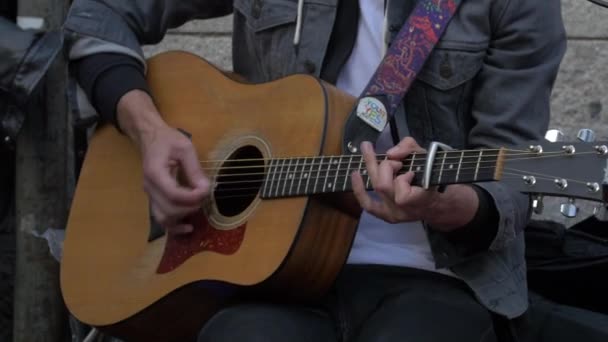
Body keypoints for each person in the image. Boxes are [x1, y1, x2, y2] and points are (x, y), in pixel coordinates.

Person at [63, 0, 569, 341]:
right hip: (263, 275)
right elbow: (99, 13)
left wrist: (446, 204)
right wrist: (150, 132)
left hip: (438, 277)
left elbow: (508, 182)